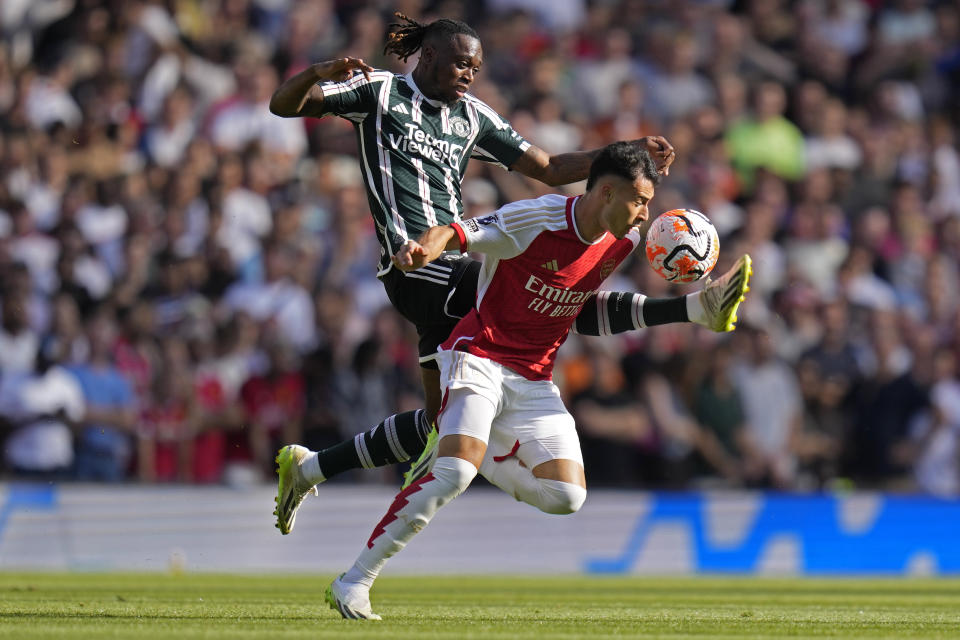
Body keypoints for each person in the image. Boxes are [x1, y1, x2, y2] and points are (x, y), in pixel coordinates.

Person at [270, 13, 705, 534]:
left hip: (452, 272)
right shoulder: (379, 92)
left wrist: (624, 158)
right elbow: (284, 105)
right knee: (536, 296)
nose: (468, 74)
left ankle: (310, 467)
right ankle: (486, 441)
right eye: (459, 63)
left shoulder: (473, 116)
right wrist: (317, 72)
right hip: (416, 266)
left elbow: (548, 168)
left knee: (439, 424)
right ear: (428, 55)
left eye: (474, 67)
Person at [318, 142, 752, 619]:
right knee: (454, 472)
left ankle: (466, 447)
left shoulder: (622, 242)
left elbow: (584, 313)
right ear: (606, 192)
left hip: (534, 378)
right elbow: (460, 232)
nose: (645, 216)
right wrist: (427, 247)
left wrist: (686, 310)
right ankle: (354, 580)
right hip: (478, 354)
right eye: (640, 201)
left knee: (567, 496)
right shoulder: (537, 219)